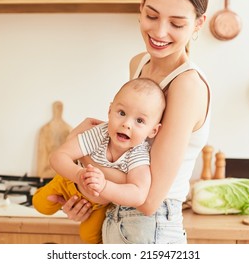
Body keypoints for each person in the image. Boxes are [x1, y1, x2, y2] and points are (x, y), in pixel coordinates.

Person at [50, 0, 210, 244]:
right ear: (141, 6)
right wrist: (86, 193)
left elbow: (147, 200)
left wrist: (82, 154)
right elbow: (127, 156)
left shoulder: (186, 86)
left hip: (151, 227)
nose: (159, 32)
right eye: (152, 15)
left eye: (177, 24)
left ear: (198, 24)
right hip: (117, 217)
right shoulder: (139, 63)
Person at [32, 78, 166, 244]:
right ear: (110, 111)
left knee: (90, 239)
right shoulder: (99, 134)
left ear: (153, 131)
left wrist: (104, 186)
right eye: (122, 113)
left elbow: (138, 194)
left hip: (97, 206)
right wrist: (79, 174)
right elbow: (58, 156)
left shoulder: (138, 154)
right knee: (40, 204)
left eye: (139, 121)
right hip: (70, 183)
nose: (126, 124)